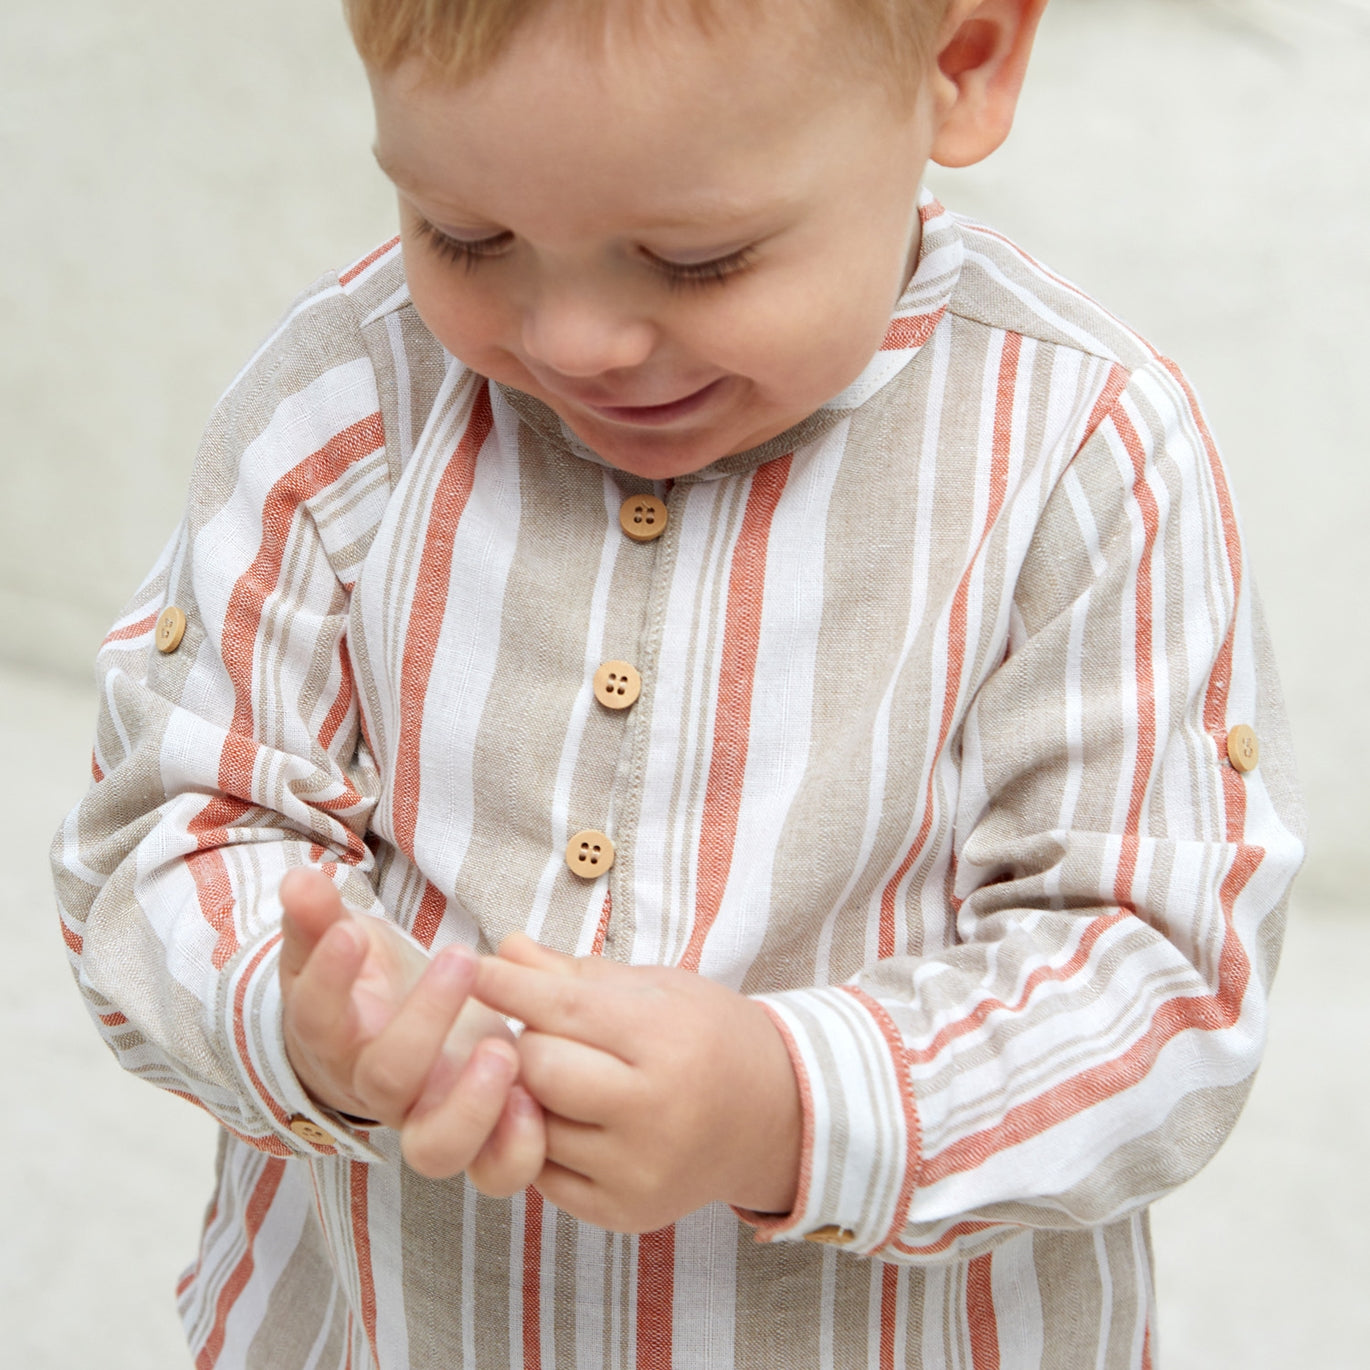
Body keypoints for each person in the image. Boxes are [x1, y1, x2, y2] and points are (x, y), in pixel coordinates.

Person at [52, 0, 1305, 1364]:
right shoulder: (350, 393)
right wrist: (305, 1017)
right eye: (465, 236)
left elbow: (1159, 983)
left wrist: (788, 1102)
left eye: (696, 259)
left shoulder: (1084, 456)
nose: (576, 339)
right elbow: (160, 831)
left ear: (962, 63)